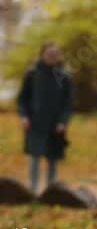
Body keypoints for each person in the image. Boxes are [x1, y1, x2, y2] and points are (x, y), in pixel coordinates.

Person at [16, 42, 74, 193]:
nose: (52, 57)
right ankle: (32, 190)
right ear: (42, 55)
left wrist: (63, 121)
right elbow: (22, 98)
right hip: (35, 123)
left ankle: (50, 191)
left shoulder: (64, 76)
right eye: (49, 54)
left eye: (55, 54)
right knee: (34, 157)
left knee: (52, 159)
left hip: (55, 125)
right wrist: (23, 116)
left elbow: (68, 103)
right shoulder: (32, 74)